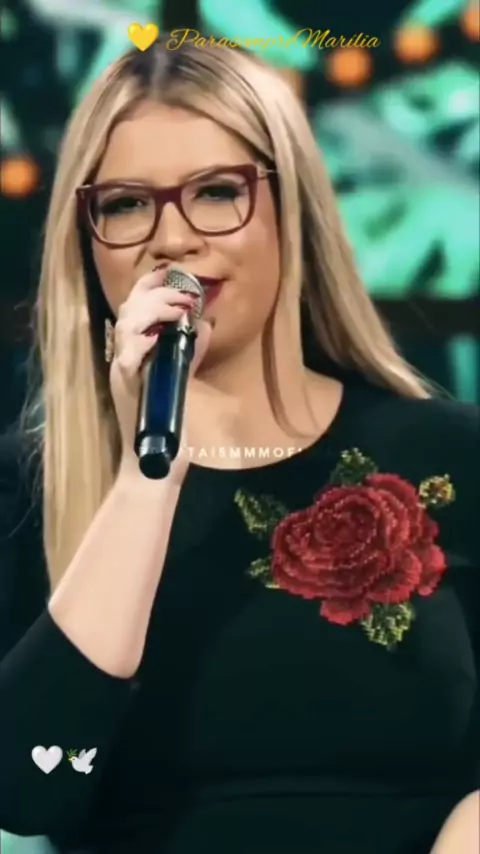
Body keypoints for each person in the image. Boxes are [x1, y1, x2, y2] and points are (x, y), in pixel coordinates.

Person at [0, 37, 478, 854]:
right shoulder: (26, 488)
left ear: (293, 212)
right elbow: (30, 784)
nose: (172, 238)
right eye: (126, 205)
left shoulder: (449, 453)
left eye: (217, 192)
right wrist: (145, 479)